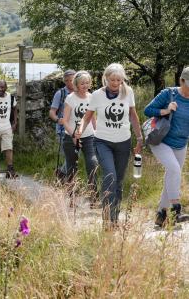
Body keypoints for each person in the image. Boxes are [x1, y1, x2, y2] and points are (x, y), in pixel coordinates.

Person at [77, 63, 143, 229]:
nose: (115, 83)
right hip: (102, 141)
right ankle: (106, 218)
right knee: (110, 176)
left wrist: (140, 138)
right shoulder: (97, 95)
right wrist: (79, 131)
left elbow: (133, 117)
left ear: (122, 80)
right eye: (112, 79)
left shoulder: (128, 92)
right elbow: (87, 117)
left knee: (118, 182)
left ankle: (115, 218)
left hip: (123, 142)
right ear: (105, 78)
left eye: (118, 80)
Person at [144, 66, 189, 227]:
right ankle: (176, 210)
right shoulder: (169, 94)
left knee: (172, 175)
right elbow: (147, 110)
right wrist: (166, 110)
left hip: (181, 144)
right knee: (174, 170)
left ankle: (161, 214)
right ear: (182, 80)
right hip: (161, 140)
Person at [62, 70, 98, 202]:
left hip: (88, 136)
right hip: (71, 137)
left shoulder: (92, 97)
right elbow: (65, 120)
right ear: (76, 84)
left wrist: (97, 132)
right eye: (82, 83)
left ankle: (94, 196)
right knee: (72, 167)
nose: (85, 85)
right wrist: (73, 135)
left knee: (92, 162)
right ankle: (72, 197)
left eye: (87, 83)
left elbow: (93, 117)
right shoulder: (70, 98)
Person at [49, 70, 76, 181]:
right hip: (63, 130)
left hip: (78, 130)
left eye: (72, 80)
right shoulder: (60, 94)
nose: (69, 83)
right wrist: (57, 119)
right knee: (70, 156)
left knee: (74, 156)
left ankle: (62, 173)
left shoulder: (82, 93)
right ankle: (68, 180)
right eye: (67, 81)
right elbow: (52, 112)